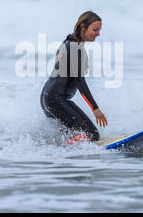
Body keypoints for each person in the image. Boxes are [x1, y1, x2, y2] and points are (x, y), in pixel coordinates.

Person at [40, 11, 108, 142]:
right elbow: (79, 81)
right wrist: (95, 108)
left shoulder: (68, 42)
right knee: (91, 135)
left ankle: (60, 151)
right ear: (83, 27)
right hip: (57, 100)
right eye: (95, 29)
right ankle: (61, 152)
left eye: (99, 30)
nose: (98, 34)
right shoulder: (75, 47)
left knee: (73, 134)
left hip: (47, 97)